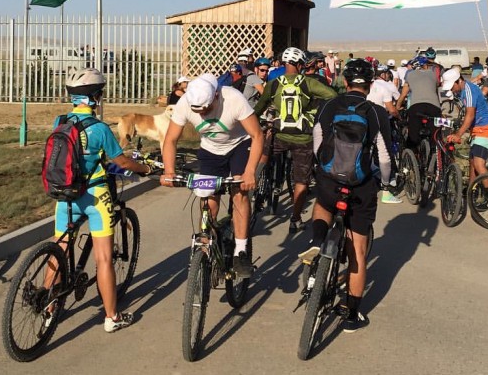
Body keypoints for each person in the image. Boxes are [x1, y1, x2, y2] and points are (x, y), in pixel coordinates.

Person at [300, 58, 395, 332]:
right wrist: (385, 182)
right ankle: (352, 314)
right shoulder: (376, 112)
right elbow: (385, 156)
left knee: (323, 204)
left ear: (345, 81)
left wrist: (323, 168)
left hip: (330, 179)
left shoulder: (329, 105)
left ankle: (318, 239)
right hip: (361, 184)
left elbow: (318, 138)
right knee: (358, 253)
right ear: (371, 84)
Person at [55, 68, 152, 332]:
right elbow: (122, 162)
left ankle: (49, 306)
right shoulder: (99, 128)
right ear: (95, 97)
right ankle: (112, 317)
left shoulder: (60, 122)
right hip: (94, 196)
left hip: (65, 194)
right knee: (104, 259)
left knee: (59, 249)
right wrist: (145, 169)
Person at [160, 74, 264, 277]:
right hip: (211, 150)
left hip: (239, 145)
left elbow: (257, 135)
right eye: (197, 111)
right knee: (208, 197)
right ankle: (207, 243)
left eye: (206, 109)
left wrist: (250, 172)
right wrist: (169, 171)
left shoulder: (233, 99)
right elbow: (171, 139)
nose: (202, 114)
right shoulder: (185, 102)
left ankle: (240, 251)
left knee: (239, 193)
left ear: (216, 96)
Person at [253, 47, 337, 233]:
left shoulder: (273, 84)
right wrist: (313, 108)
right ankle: (295, 219)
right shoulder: (308, 83)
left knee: (263, 153)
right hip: (303, 138)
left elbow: (259, 108)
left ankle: (255, 177)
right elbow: (332, 96)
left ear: (284, 63)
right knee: (301, 180)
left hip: (278, 134)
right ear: (300, 65)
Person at [442, 67, 488, 187]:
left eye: (452, 86)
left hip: (485, 129)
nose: (451, 89)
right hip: (476, 130)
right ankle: (471, 192)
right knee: (472, 164)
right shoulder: (462, 91)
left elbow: (470, 115)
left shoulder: (469, 91)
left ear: (459, 81)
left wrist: (458, 134)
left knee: (478, 164)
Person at [397, 56, 442, 149]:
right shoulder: (433, 74)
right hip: (434, 106)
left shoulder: (410, 75)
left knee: (413, 133)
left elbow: (404, 94)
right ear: (425, 66)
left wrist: (397, 106)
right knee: (435, 133)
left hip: (416, 106)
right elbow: (435, 89)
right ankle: (436, 151)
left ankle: (413, 151)